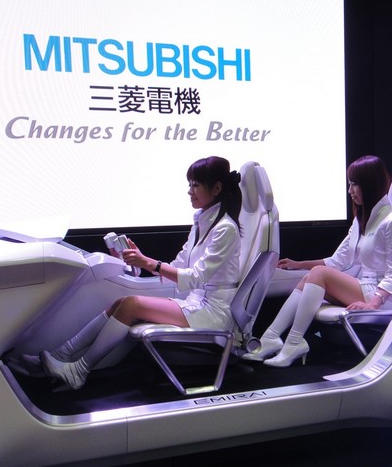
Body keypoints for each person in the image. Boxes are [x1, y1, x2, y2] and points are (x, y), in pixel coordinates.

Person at [40, 156, 243, 390]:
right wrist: (143, 260)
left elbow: (196, 278)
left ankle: (78, 371)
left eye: (195, 185)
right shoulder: (202, 222)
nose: (190, 191)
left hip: (213, 313)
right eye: (190, 185)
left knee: (130, 305)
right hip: (196, 303)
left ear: (216, 188)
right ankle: (63, 354)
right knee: (119, 303)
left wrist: (148, 263)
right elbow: (178, 265)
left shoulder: (225, 229)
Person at [243, 155, 392, 367]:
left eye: (355, 184)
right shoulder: (362, 220)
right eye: (349, 184)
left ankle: (294, 341)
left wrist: (373, 304)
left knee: (318, 275)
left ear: (370, 184)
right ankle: (271, 337)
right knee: (308, 277)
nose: (350, 191)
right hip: (366, 287)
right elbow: (337, 261)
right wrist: (299, 264)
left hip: (384, 297)